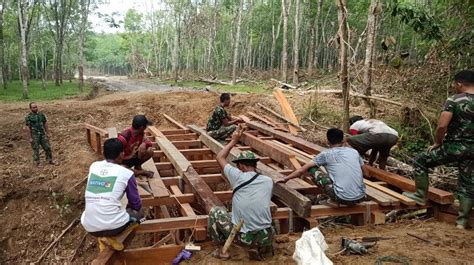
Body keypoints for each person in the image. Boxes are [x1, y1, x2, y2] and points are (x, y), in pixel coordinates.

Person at [403, 70, 474, 229]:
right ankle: (462, 221)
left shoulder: (454, 100)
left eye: (455, 85)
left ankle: (420, 195)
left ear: (459, 84)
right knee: (467, 183)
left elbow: (442, 125)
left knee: (421, 161)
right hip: (472, 151)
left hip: (453, 147)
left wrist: (437, 142)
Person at [209, 126, 274, 260]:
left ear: (242, 167)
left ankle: (222, 249)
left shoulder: (238, 177)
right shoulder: (268, 181)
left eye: (238, 166)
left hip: (245, 238)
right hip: (266, 236)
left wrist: (234, 141)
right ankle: (262, 247)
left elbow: (220, 157)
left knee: (215, 212)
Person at [81, 138, 143, 251]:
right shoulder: (127, 174)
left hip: (90, 227)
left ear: (104, 154)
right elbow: (136, 204)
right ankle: (116, 237)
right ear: (122, 154)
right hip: (114, 227)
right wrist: (129, 209)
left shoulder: (94, 166)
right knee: (140, 214)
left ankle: (102, 239)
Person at [278, 128, 367, 206]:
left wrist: (286, 179)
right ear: (343, 140)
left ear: (328, 141)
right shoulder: (354, 152)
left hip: (342, 198)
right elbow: (366, 172)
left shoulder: (326, 154)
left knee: (312, 169)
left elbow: (301, 171)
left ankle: (332, 200)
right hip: (361, 197)